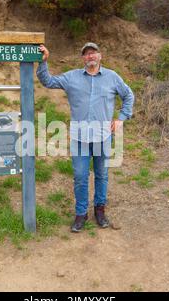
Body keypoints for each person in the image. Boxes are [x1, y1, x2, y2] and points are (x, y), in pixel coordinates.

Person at [37, 42, 134, 232]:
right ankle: (81, 214)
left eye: (93, 53)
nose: (90, 56)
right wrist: (44, 62)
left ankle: (100, 211)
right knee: (80, 176)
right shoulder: (71, 77)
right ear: (83, 58)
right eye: (86, 54)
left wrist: (122, 118)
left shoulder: (112, 77)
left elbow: (128, 96)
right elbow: (47, 81)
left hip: (103, 137)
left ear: (100, 56)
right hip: (79, 138)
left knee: (102, 175)